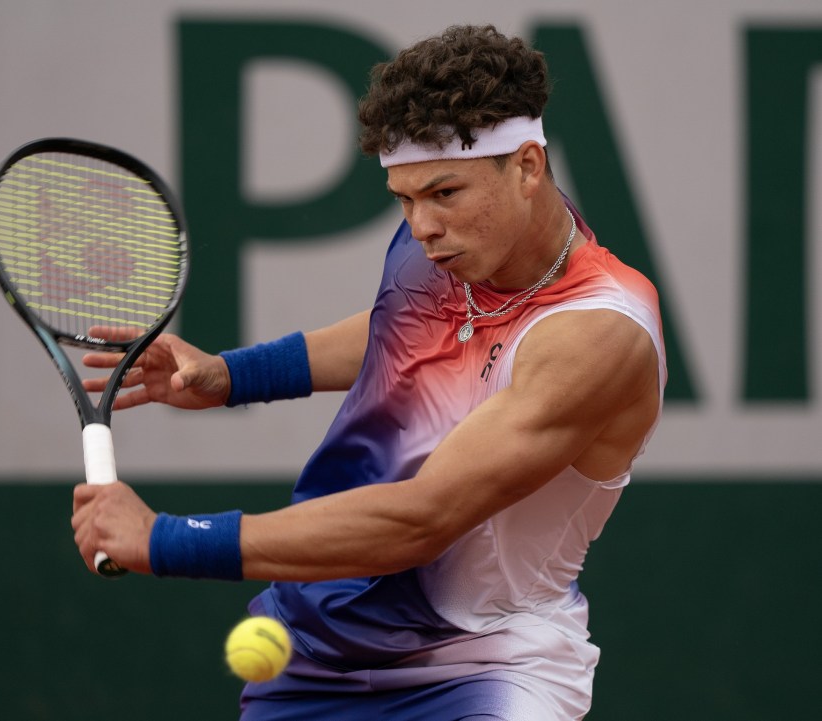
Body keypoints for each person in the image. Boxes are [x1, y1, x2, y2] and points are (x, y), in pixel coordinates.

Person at [71, 23, 666, 721]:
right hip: (315, 648)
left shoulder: (600, 331)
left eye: (444, 192)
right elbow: (402, 330)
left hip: (489, 669)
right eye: (404, 198)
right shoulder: (453, 247)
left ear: (528, 166)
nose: (421, 227)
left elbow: (423, 517)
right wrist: (231, 376)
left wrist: (168, 538)